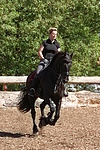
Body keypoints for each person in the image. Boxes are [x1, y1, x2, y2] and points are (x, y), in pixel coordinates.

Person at [28, 27, 60, 97]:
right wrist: (43, 59)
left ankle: (62, 90)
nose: (54, 36)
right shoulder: (45, 43)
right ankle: (33, 89)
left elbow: (58, 54)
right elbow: (40, 51)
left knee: (60, 74)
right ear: (50, 34)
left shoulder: (57, 44)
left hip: (52, 63)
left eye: (56, 34)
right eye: (53, 34)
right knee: (38, 73)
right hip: (44, 61)